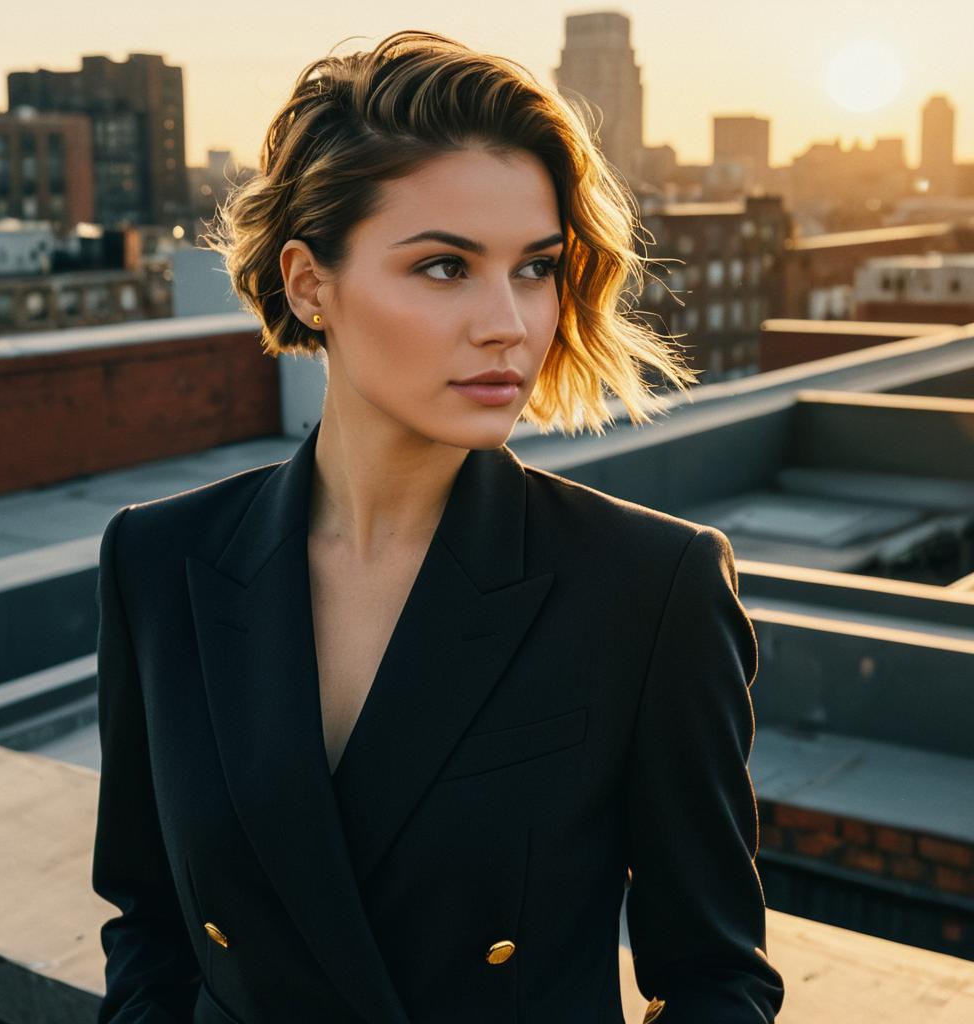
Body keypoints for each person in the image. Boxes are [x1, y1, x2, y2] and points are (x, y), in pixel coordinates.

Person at [92, 28, 786, 1024]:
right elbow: (149, 919)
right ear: (309, 283)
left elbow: (716, 979)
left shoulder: (648, 588)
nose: (508, 321)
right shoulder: (158, 561)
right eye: (445, 267)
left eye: (535, 267)